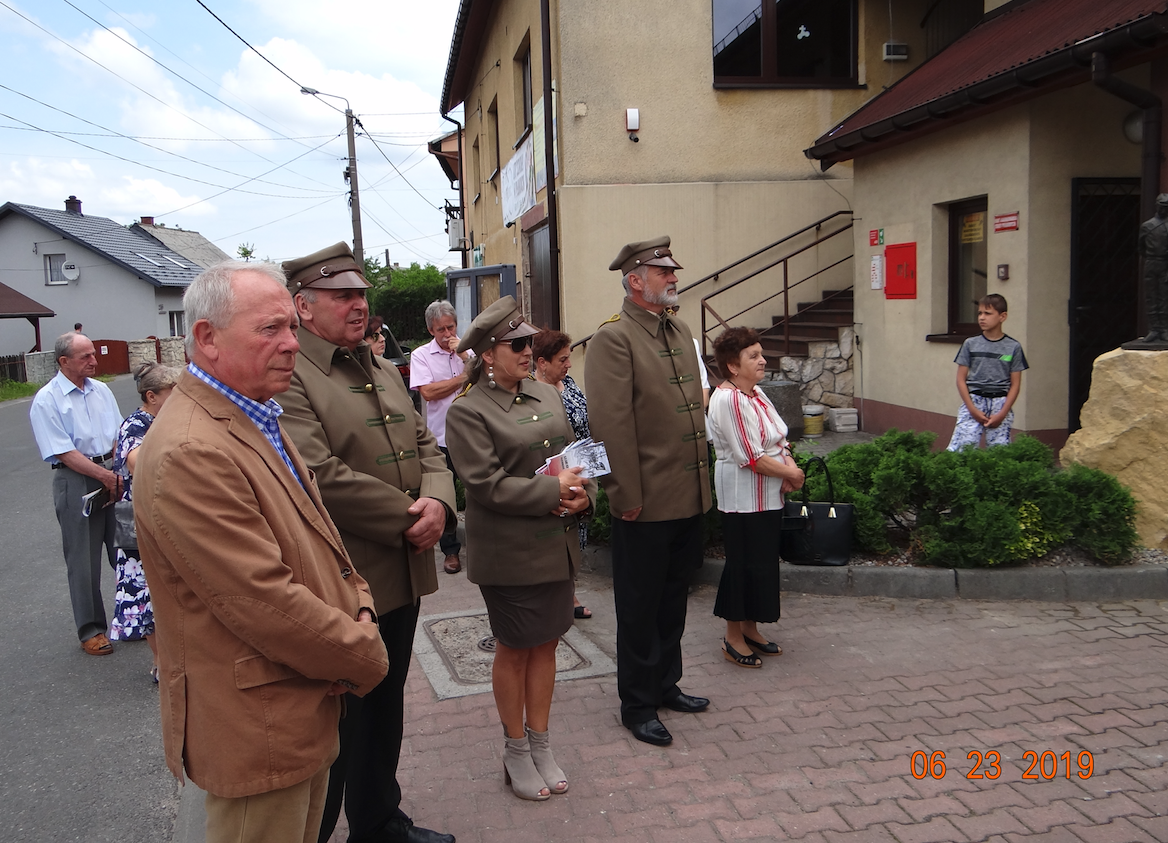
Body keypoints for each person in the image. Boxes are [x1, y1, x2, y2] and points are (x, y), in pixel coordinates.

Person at [133, 260, 389, 843]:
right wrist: (363, 653)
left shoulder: (253, 414)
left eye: (291, 329)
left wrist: (360, 607)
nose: (291, 344)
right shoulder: (191, 449)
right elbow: (260, 600)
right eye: (269, 329)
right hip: (259, 729)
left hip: (295, 706)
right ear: (206, 339)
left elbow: (322, 540)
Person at [280, 243, 457, 843]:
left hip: (402, 568)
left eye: (361, 294)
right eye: (343, 297)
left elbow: (428, 446)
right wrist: (410, 515)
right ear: (304, 307)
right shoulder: (291, 373)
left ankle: (379, 821)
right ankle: (321, 831)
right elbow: (317, 471)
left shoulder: (380, 366)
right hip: (344, 578)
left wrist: (439, 500)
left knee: (385, 709)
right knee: (341, 721)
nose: (359, 306)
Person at [445, 296, 594, 801]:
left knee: (548, 643)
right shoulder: (468, 411)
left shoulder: (546, 395)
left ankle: (541, 743)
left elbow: (573, 456)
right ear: (488, 353)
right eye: (516, 344)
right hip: (509, 553)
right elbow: (484, 485)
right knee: (515, 648)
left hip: (556, 545)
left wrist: (583, 495)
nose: (528, 351)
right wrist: (556, 493)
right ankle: (514, 751)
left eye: (529, 341)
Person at [585, 235, 713, 748]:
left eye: (672, 271)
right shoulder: (614, 339)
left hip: (686, 496)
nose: (672, 278)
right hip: (645, 500)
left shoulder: (678, 329)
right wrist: (624, 494)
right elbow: (611, 425)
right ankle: (637, 704)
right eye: (662, 272)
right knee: (639, 607)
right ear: (636, 280)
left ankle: (666, 684)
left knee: (674, 600)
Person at [706, 327, 805, 668]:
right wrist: (791, 474)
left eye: (761, 354)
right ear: (733, 366)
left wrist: (789, 462)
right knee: (743, 563)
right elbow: (751, 456)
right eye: (754, 356)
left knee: (761, 562)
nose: (763, 360)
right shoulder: (730, 399)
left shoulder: (755, 393)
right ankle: (732, 634)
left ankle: (751, 627)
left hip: (768, 494)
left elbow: (780, 438)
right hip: (742, 496)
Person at [29, 331, 122, 655]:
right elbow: (64, 452)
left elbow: (117, 433)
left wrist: (116, 472)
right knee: (83, 561)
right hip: (76, 479)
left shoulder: (102, 391)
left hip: (111, 472)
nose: (94, 361)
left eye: (94, 354)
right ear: (64, 361)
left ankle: (135, 615)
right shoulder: (48, 399)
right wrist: (104, 476)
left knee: (125, 548)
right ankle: (92, 630)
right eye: (85, 357)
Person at [110, 361, 181, 681]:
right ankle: (160, 662)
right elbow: (138, 464)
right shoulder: (136, 424)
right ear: (152, 396)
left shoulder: (168, 419)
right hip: (143, 521)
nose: (178, 395)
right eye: (172, 391)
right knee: (145, 593)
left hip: (169, 515)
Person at [531, 329, 591, 619]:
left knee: (577, 534)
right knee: (557, 533)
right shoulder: (530, 391)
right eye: (562, 359)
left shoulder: (569, 383)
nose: (569, 364)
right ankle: (564, 596)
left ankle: (569, 588)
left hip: (580, 469)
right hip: (553, 474)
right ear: (542, 363)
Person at [410, 300, 472, 574]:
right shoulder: (421, 355)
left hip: (472, 435)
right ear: (430, 330)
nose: (447, 334)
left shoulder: (468, 350)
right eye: (440, 330)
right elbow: (428, 392)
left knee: (477, 492)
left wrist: (467, 360)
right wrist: (462, 378)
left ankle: (482, 544)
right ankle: (450, 551)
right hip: (441, 437)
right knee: (447, 497)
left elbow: (485, 378)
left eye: (451, 327)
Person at [946, 294, 1028, 451]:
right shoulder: (970, 344)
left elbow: (1015, 385)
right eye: (980, 313)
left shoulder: (1013, 347)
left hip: (1000, 403)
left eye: (988, 313)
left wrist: (1002, 413)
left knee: (999, 453)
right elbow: (960, 380)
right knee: (962, 449)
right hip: (974, 400)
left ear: (1002, 316)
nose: (982, 318)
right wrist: (972, 410)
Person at [1134, 193, 1168, 345]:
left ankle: (1164, 329)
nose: (1163, 210)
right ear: (1157, 206)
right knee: (1151, 295)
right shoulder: (1147, 226)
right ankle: (1154, 329)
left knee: (1164, 295)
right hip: (1152, 262)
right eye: (1161, 207)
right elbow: (1141, 247)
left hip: (1166, 263)